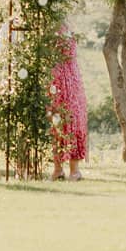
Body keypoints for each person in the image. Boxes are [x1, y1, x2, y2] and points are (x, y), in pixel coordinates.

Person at [50, 29, 88, 181]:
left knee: (58, 123)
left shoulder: (51, 30)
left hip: (57, 78)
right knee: (73, 121)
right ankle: (73, 171)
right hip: (69, 79)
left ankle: (59, 170)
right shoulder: (66, 29)